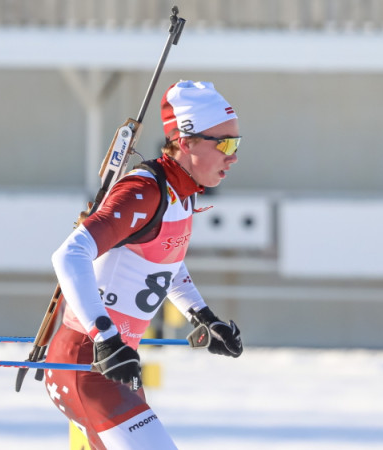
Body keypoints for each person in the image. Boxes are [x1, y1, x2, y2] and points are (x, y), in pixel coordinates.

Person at [43, 80, 244, 449]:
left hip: (116, 364)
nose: (233, 156)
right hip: (87, 364)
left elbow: (165, 263)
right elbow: (69, 255)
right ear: (186, 142)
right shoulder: (145, 192)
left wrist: (203, 316)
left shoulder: (181, 195)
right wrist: (105, 337)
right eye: (225, 144)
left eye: (238, 143)